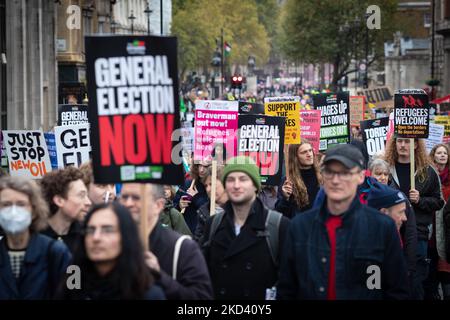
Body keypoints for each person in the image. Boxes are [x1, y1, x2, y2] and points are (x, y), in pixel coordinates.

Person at [278, 144, 409, 299]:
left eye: (345, 173)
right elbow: (287, 290)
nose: (335, 180)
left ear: (361, 176)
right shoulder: (299, 227)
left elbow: (396, 289)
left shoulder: (382, 228)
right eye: (329, 172)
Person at [201, 156, 290, 300]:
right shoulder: (213, 225)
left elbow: (289, 284)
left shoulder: (278, 225)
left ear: (255, 185)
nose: (236, 185)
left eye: (243, 179)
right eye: (230, 180)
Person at [119, 183, 213, 300]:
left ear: (158, 205)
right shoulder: (114, 244)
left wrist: (160, 277)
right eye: (124, 197)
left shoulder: (183, 248)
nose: (128, 203)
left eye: (137, 198)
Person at [58, 202, 165, 300]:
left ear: (126, 237)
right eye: (90, 230)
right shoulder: (73, 283)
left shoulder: (147, 294)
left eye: (107, 230)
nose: (96, 237)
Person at [384, 136, 445, 299]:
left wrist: (420, 200)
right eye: (399, 141)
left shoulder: (427, 170)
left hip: (418, 234)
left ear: (416, 145)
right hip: (389, 234)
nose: (403, 145)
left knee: (415, 282)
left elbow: (439, 202)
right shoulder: (386, 169)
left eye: (407, 141)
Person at [0, 176, 71, 299]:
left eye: (21, 204)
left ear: (33, 211)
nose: (13, 211)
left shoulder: (58, 252)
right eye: (6, 205)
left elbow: (75, 292)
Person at [40, 166, 92, 253]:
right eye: (81, 195)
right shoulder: (35, 238)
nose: (88, 202)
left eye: (87, 195)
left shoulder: (86, 235)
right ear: (59, 200)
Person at [275, 141, 322, 218]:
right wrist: (285, 198)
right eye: (304, 152)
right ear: (295, 157)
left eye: (310, 150)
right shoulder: (287, 182)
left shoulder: (323, 176)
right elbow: (280, 214)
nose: (309, 154)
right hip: (299, 227)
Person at [173, 160, 210, 234]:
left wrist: (196, 198)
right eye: (199, 165)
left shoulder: (214, 186)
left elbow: (212, 212)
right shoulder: (188, 183)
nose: (201, 170)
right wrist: (179, 205)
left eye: (205, 166)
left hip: (204, 233)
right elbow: (174, 205)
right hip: (186, 232)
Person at [194, 166, 228, 242]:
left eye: (211, 184)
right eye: (206, 186)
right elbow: (198, 242)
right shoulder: (203, 212)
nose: (208, 189)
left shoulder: (237, 209)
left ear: (225, 182)